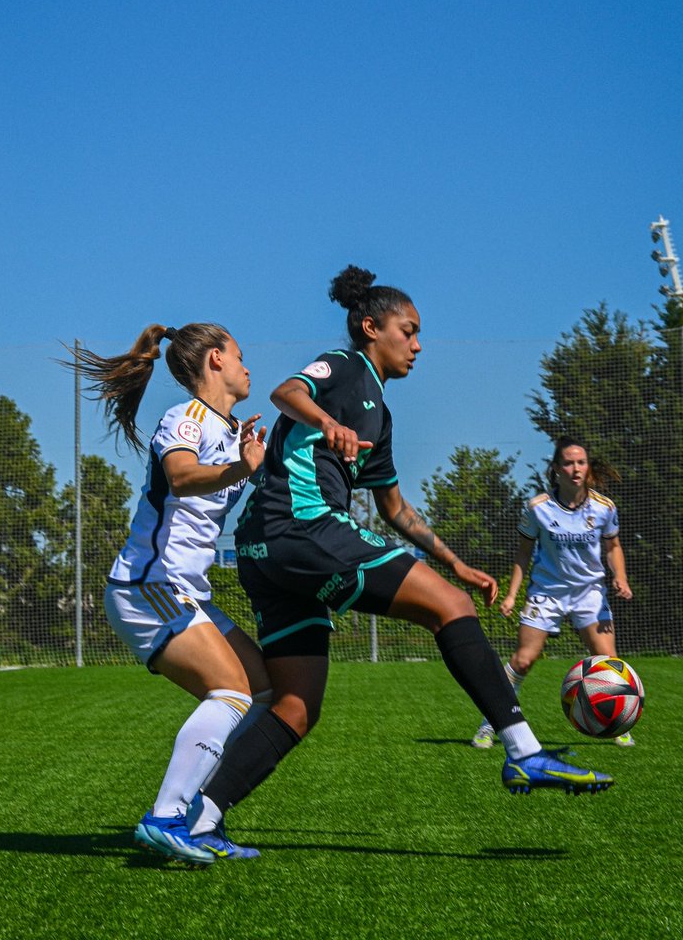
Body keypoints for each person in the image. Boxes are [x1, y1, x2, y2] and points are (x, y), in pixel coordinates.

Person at [174, 267, 614, 864]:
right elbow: (285, 392)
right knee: (450, 613)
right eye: (408, 331)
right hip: (300, 526)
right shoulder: (345, 365)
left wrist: (456, 563)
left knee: (296, 707)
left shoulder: (379, 413)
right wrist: (327, 421)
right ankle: (524, 751)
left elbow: (396, 508)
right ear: (370, 327)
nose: (418, 344)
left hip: (264, 549)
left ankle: (201, 818)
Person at [69, 323, 271, 866]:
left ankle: (200, 821)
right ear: (213, 361)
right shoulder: (183, 419)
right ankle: (165, 817)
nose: (247, 367)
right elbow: (180, 476)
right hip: (146, 587)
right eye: (240, 354)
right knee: (230, 692)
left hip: (185, 592)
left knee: (263, 689)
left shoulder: (230, 432)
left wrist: (251, 460)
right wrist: (239, 466)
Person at [471, 437, 635, 750]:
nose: (576, 469)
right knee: (522, 660)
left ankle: (615, 724)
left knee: (608, 662)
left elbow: (613, 547)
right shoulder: (538, 508)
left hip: (590, 593)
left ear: (587, 468)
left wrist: (621, 578)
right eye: (569, 463)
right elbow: (523, 554)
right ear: (556, 469)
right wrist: (510, 595)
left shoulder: (604, 508)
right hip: (546, 593)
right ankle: (489, 724)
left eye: (582, 462)